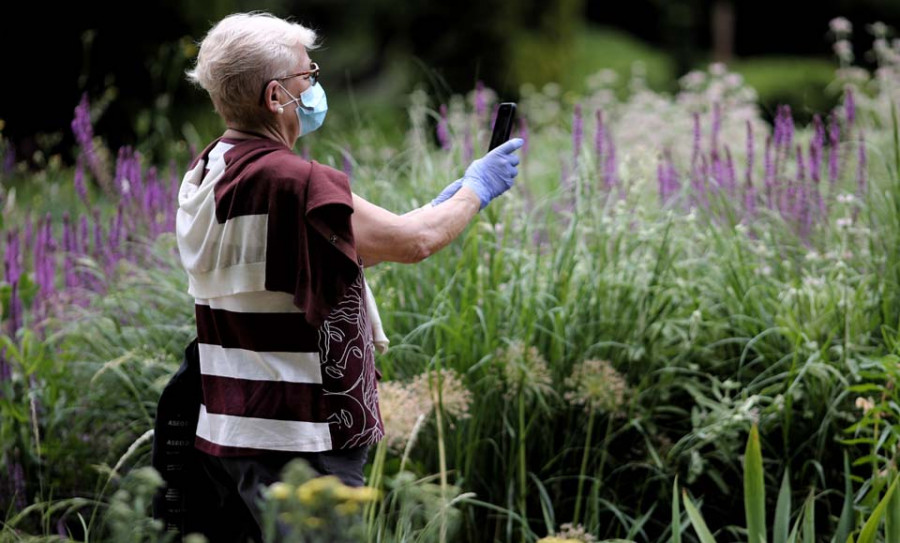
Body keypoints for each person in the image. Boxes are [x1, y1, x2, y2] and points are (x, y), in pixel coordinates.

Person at [158, 11, 522, 543]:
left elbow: (307, 255)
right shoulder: (292, 180)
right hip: (300, 440)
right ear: (276, 96)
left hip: (233, 426)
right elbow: (414, 243)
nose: (316, 86)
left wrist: (431, 208)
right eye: (309, 76)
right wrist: (476, 190)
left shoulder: (214, 167)